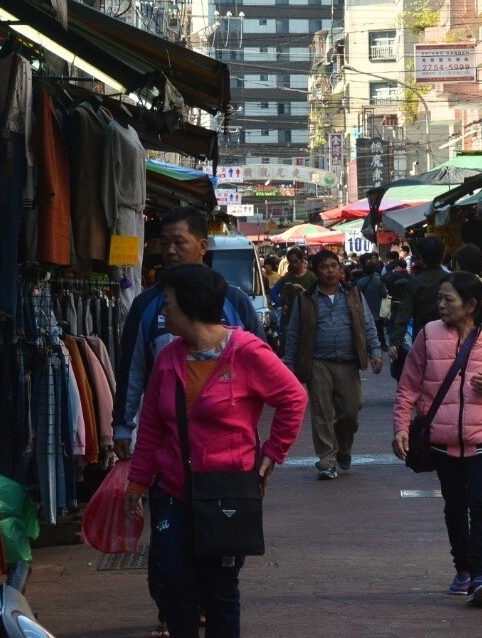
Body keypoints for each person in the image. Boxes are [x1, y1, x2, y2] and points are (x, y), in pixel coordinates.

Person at [125, 264, 307, 638]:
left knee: (220, 591)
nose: (163, 312)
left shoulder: (246, 352)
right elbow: (152, 429)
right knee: (174, 583)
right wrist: (137, 483)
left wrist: (272, 455)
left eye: (169, 303)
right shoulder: (168, 358)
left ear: (190, 306)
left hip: (227, 491)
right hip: (173, 489)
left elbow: (293, 397)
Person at [391, 272, 482, 608]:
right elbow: (409, 385)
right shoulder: (428, 334)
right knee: (455, 506)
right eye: (440, 299)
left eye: (449, 300)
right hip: (442, 438)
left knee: (481, 505)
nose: (441, 305)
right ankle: (462, 569)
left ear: (471, 305)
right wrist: (401, 426)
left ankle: (480, 577)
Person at [114, 207, 260, 460]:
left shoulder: (235, 301)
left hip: (228, 442)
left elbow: (260, 369)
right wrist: (122, 426)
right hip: (166, 440)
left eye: (179, 242)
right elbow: (132, 369)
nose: (170, 251)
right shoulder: (145, 305)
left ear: (202, 246)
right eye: (164, 243)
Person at [282, 250, 384, 479]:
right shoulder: (305, 299)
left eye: (334, 265)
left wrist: (375, 351)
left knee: (351, 410)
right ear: (316, 271)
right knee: (322, 413)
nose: (330, 270)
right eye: (324, 267)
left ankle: (343, 449)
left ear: (340, 268)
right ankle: (327, 460)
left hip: (348, 362)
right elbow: (294, 335)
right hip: (318, 363)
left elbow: (367, 324)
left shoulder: (353, 294)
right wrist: (288, 366)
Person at [387, 235, 448, 363]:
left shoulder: (414, 283)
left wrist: (395, 342)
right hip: (450, 337)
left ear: (420, 258)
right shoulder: (452, 280)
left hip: (423, 337)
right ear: (443, 256)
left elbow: (403, 313)